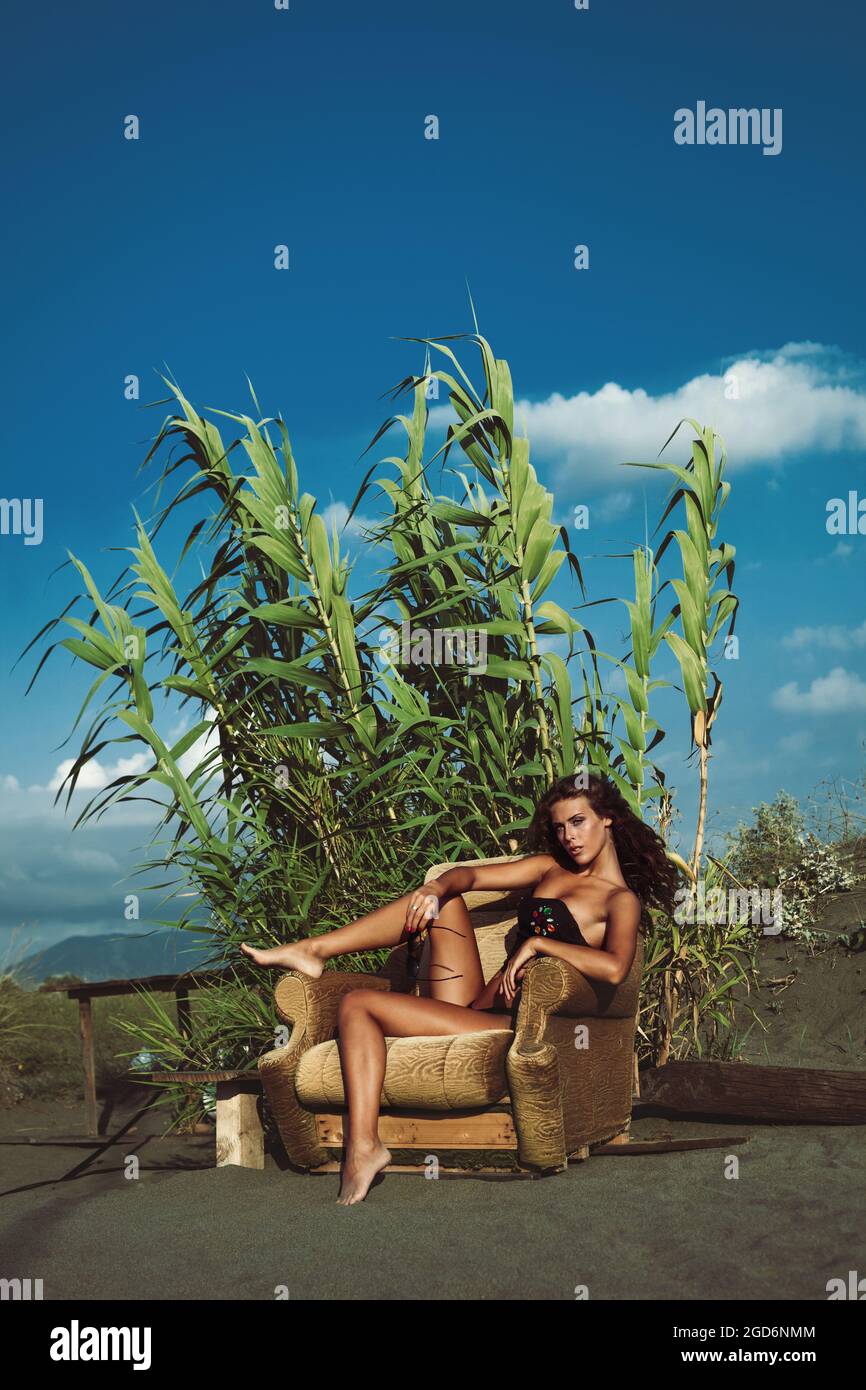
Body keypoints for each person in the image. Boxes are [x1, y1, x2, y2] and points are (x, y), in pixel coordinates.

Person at [240, 771, 679, 1204]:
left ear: (608, 820)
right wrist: (434, 888)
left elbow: (615, 969)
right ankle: (316, 949)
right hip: (469, 1000)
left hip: (508, 1021)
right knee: (444, 901)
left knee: (357, 1004)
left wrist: (540, 944)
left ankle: (363, 1148)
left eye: (578, 822)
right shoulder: (550, 869)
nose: (568, 836)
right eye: (560, 827)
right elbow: (467, 876)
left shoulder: (619, 901)